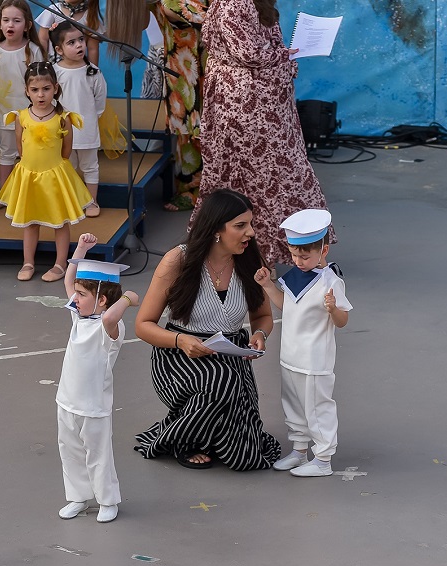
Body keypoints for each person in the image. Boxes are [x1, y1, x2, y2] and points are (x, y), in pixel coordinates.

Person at [134, 188, 281, 470]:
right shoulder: (178, 260)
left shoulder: (251, 261)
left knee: (246, 455)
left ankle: (197, 430)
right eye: (240, 225)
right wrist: (181, 340)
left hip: (230, 356)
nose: (250, 232)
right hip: (179, 356)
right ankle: (181, 441)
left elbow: (263, 316)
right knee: (219, 380)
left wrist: (260, 335)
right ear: (215, 229)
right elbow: (143, 325)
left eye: (250, 224)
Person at [193, 0, 327, 266]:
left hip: (267, 107)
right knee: (255, 177)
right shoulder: (234, 4)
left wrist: (284, 57)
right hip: (244, 106)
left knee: (275, 175)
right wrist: (285, 56)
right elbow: (248, 53)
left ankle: (272, 252)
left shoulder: (256, 3)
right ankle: (254, 254)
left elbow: (265, 46)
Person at [254, 209, 352, 477]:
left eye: (304, 256)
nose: (298, 261)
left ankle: (323, 459)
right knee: (294, 406)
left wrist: (333, 309)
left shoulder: (331, 282)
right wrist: (268, 286)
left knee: (317, 408)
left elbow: (342, 321)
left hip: (314, 361)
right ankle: (299, 451)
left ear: (324, 250)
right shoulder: (296, 274)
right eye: (294, 255)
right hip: (291, 356)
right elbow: (287, 306)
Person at [56, 235, 139, 523]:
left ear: (102, 300)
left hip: (93, 407)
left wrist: (127, 299)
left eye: (82, 295)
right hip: (66, 401)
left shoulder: (110, 328)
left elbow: (108, 318)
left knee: (98, 455)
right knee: (70, 451)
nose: (74, 298)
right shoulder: (79, 317)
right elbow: (69, 281)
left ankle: (107, 500)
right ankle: (78, 497)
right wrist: (80, 251)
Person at [0, 60, 92, 282]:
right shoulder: (20, 116)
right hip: (29, 175)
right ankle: (28, 262)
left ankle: (60, 264)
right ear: (27, 91)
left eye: (46, 89)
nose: (41, 95)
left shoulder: (63, 118)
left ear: (55, 88)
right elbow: (21, 148)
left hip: (54, 176)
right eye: (35, 89)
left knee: (60, 221)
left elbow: (66, 151)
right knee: (30, 221)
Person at [107, 0, 206, 211]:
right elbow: (143, 22)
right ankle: (192, 190)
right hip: (180, 68)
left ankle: (208, 189)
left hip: (202, 65)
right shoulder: (161, 4)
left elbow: (209, 20)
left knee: (200, 128)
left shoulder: (171, 4)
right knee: (185, 130)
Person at [0, 0, 44, 211]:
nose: (10, 25)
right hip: (5, 113)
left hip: (30, 115)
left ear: (27, 25)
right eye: (6, 20)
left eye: (17, 21)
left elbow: (41, 82)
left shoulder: (33, 50)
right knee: (7, 153)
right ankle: (4, 196)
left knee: (30, 155)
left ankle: (32, 197)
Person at [51, 21, 105, 217]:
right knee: (68, 166)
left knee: (90, 166)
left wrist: (89, 119)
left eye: (81, 40)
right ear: (59, 49)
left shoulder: (93, 72)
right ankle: (71, 201)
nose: (79, 45)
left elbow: (100, 101)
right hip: (63, 130)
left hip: (86, 129)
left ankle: (91, 202)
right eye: (71, 42)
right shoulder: (54, 72)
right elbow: (50, 100)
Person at [35, 0, 101, 66]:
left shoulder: (90, 15)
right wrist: (42, 63)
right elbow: (43, 39)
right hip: (53, 63)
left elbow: (92, 49)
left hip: (78, 65)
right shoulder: (53, 10)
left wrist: (93, 69)